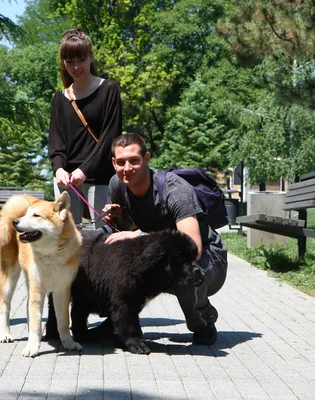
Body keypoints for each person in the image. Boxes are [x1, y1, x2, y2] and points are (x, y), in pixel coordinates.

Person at [102, 133, 228, 345]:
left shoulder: (174, 189)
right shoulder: (117, 184)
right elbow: (122, 232)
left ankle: (204, 320)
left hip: (207, 258)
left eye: (134, 160)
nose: (127, 168)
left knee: (186, 272)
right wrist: (117, 219)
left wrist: (137, 235)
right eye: (121, 162)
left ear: (147, 158)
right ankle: (121, 321)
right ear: (114, 163)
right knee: (104, 242)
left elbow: (192, 249)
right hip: (158, 251)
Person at [48, 28, 122, 228]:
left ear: (91, 57)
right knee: (68, 240)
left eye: (80, 59)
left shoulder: (109, 90)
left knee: (106, 236)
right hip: (68, 180)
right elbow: (56, 141)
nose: (76, 66)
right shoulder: (60, 98)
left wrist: (85, 169)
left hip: (101, 177)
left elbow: (110, 137)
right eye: (70, 61)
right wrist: (59, 169)